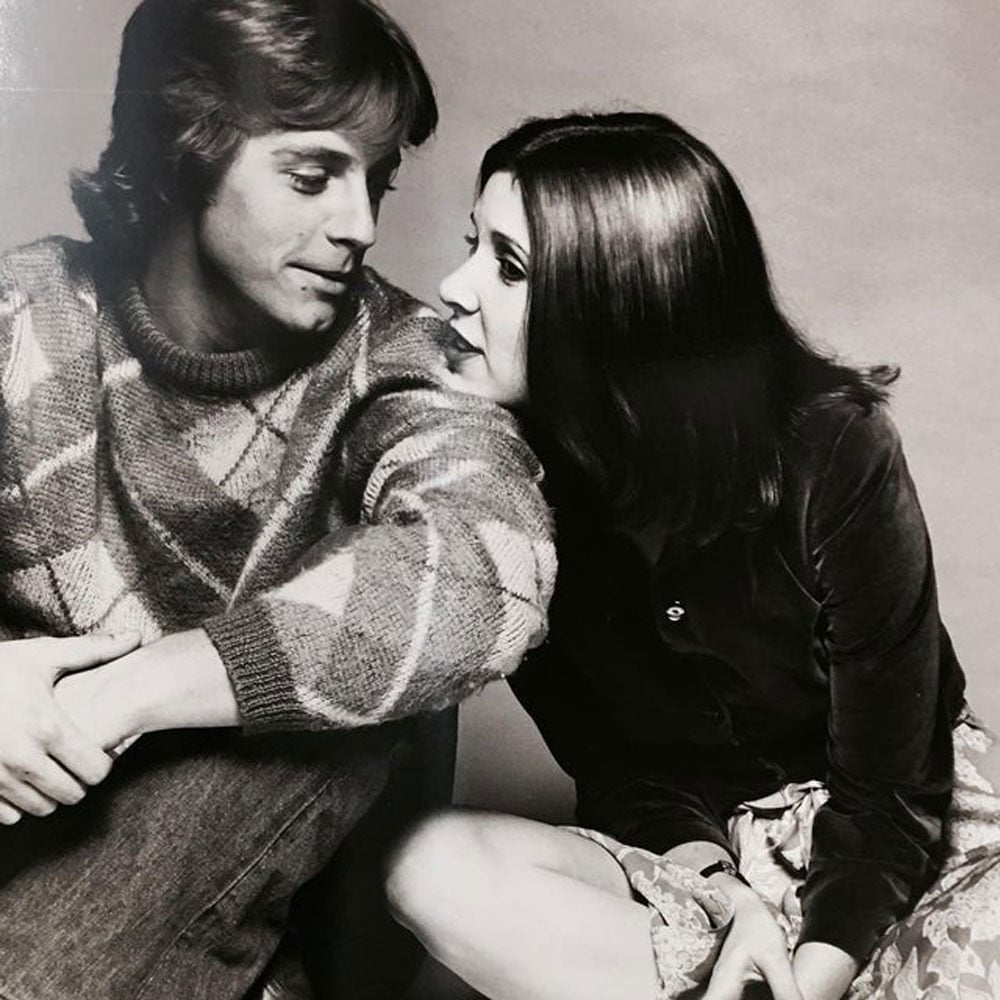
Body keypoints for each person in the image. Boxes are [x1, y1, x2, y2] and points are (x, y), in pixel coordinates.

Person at [0, 2, 555, 998]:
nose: (362, 225)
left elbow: (491, 574)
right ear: (186, 149)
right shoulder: (22, 318)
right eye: (313, 174)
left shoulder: (403, 362)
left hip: (255, 804)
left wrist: (126, 695)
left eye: (375, 179)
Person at [386, 111, 1000, 1000]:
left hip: (890, 859)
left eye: (508, 267)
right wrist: (725, 898)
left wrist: (811, 973)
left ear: (618, 300)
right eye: (473, 246)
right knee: (429, 865)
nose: (455, 285)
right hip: (693, 864)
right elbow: (620, 773)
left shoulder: (835, 449)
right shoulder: (504, 494)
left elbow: (891, 798)